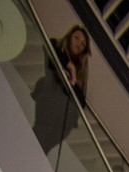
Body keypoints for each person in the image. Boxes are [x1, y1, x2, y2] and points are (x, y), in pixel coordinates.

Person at [32, 25, 91, 156]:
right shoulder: (57, 48)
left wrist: (73, 80)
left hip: (63, 120)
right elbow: (50, 45)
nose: (79, 44)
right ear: (69, 37)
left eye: (83, 44)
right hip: (49, 104)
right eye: (76, 38)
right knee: (36, 138)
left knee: (43, 149)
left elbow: (81, 102)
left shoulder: (81, 72)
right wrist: (69, 66)